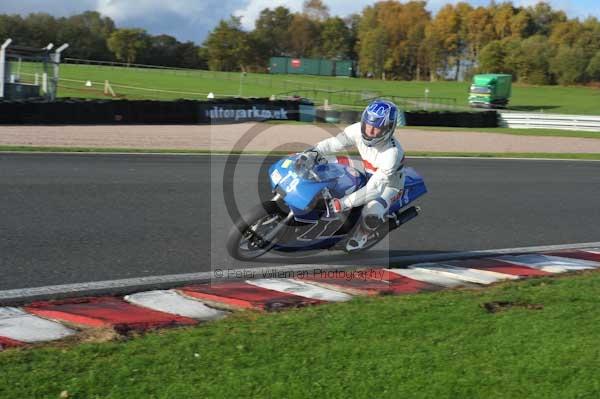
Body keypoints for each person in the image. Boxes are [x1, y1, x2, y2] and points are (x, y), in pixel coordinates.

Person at [302, 99, 406, 251]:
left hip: (389, 185)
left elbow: (374, 189)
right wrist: (312, 152)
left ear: (389, 129)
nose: (369, 131)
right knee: (324, 165)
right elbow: (333, 143)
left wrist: (342, 203)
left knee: (371, 210)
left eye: (376, 129)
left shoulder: (392, 153)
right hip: (365, 168)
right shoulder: (357, 129)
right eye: (368, 125)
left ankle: (362, 235)